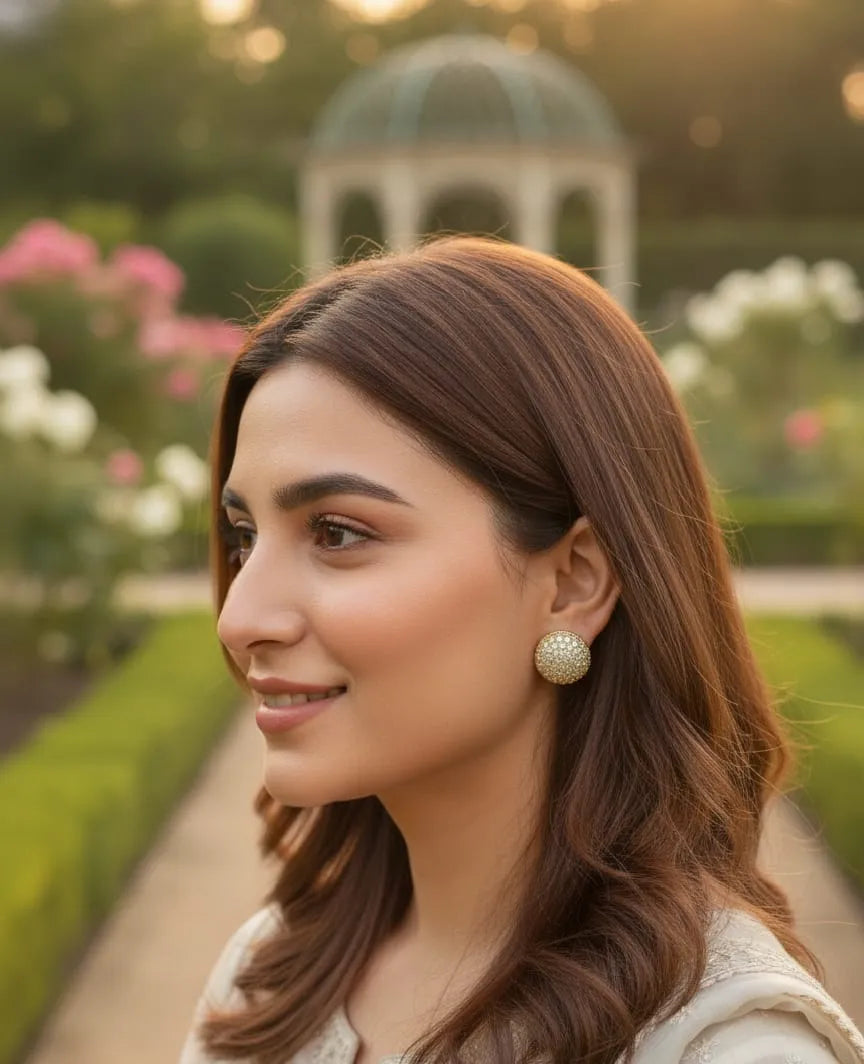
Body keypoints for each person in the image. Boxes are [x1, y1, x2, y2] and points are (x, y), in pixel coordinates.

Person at [179, 237, 864, 1064]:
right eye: (244, 534)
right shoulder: (267, 981)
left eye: (337, 532)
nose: (240, 614)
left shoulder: (730, 1048)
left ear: (573, 582)